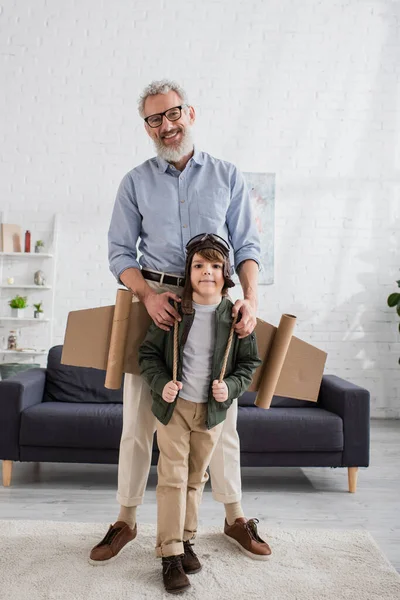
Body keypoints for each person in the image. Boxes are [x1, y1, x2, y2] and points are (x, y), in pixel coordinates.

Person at [89, 79, 271, 566]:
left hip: (216, 307)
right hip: (156, 306)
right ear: (146, 126)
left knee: (223, 418)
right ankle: (126, 520)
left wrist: (250, 299)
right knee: (137, 422)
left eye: (172, 114)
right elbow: (119, 253)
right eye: (154, 119)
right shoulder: (135, 182)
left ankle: (234, 517)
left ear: (190, 114)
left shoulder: (227, 176)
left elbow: (249, 247)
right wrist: (146, 295)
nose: (166, 126)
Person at [138, 234, 266, 594]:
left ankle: (186, 538)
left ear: (226, 274)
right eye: (198, 265)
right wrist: (162, 381)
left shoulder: (237, 317)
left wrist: (233, 388)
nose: (206, 272)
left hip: (211, 413)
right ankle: (170, 554)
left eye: (214, 266)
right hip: (175, 409)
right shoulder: (175, 310)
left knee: (196, 479)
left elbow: (249, 363)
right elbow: (147, 355)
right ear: (188, 272)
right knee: (172, 477)